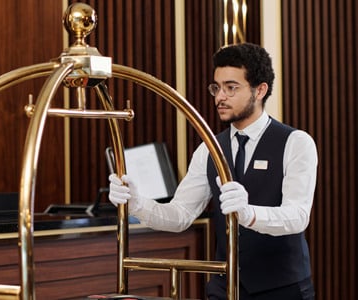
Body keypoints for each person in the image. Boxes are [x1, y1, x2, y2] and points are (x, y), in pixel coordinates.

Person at [109, 43, 317, 299]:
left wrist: (249, 214)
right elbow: (180, 215)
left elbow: (297, 216)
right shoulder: (209, 148)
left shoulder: (296, 142)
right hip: (224, 286)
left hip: (283, 288)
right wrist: (137, 203)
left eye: (231, 88)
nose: (220, 97)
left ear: (260, 90)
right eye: (216, 88)